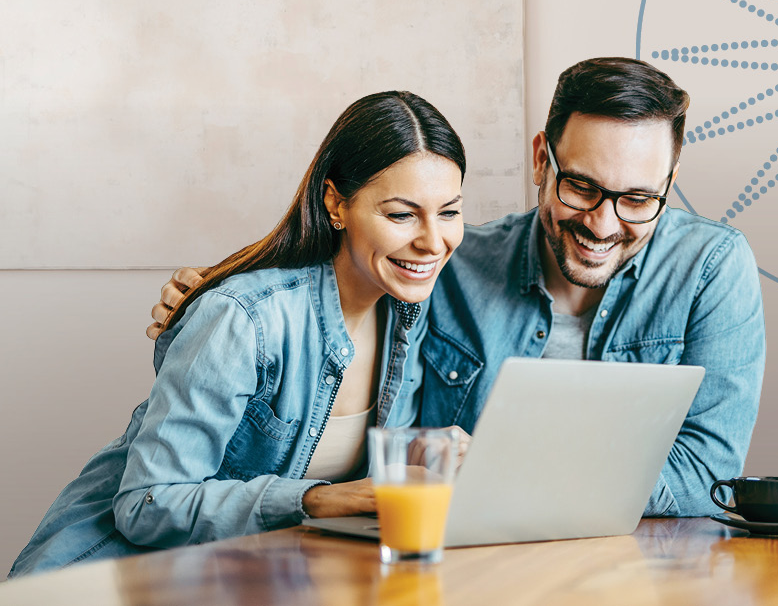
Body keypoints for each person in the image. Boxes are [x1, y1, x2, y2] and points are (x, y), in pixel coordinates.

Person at [148, 58, 766, 519]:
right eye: (579, 187)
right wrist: (219, 295)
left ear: (670, 181)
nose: (602, 224)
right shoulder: (450, 264)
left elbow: (707, 476)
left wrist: (510, 472)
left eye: (638, 199)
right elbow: (334, 277)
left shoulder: (711, 267)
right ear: (539, 162)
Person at [9, 91, 467, 578]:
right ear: (337, 204)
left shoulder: (405, 314)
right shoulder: (244, 319)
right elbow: (148, 504)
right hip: (110, 577)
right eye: (401, 214)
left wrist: (429, 451)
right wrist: (316, 499)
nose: (433, 241)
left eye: (449, 212)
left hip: (245, 578)